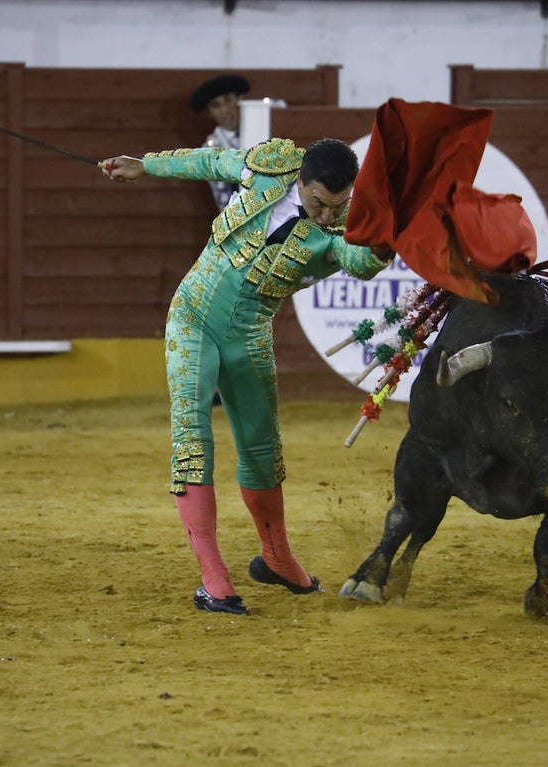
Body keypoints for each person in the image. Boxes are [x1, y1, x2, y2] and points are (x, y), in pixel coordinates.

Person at [100, 137, 393, 616]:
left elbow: (359, 262)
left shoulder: (346, 222)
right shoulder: (270, 165)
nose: (325, 217)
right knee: (193, 437)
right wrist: (145, 166)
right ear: (301, 178)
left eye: (336, 206)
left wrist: (385, 240)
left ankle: (276, 558)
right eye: (319, 203)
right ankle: (214, 577)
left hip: (250, 335)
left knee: (261, 448)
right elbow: (212, 160)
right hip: (192, 315)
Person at [189, 73, 250, 210]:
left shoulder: (262, 129)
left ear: (239, 100)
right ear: (210, 113)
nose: (225, 110)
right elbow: (224, 200)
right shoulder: (211, 150)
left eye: (228, 100)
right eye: (216, 105)